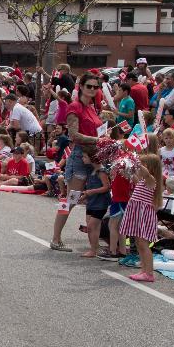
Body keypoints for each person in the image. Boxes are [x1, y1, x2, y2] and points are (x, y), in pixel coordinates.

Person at [50, 73, 104, 251]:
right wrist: (98, 141)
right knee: (71, 199)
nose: (92, 90)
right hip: (80, 158)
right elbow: (73, 135)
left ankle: (95, 243)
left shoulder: (93, 107)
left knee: (95, 198)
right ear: (81, 86)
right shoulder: (75, 107)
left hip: (94, 157)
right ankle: (56, 239)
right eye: (89, 86)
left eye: (96, 87)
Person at [120, 153, 163, 282]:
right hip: (138, 214)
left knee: (143, 244)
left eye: (143, 165)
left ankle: (149, 273)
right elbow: (131, 176)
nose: (140, 167)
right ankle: (144, 270)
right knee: (139, 243)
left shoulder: (151, 180)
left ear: (150, 167)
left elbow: (145, 173)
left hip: (144, 215)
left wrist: (134, 160)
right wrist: (124, 167)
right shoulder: (144, 181)